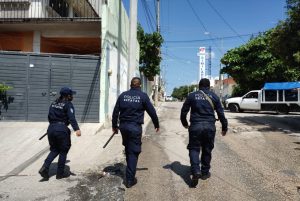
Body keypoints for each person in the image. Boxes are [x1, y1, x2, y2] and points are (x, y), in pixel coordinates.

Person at [112, 77, 159, 188]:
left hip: (123, 127)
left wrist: (114, 126)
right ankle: (129, 180)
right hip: (134, 127)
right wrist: (156, 124)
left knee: (128, 149)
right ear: (140, 85)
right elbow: (152, 111)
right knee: (134, 152)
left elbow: (115, 112)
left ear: (130, 85)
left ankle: (129, 169)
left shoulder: (123, 95)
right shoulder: (143, 96)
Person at [180, 78, 228, 187]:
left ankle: (196, 170)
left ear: (199, 86)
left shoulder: (192, 96)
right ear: (209, 86)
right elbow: (221, 113)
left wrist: (184, 123)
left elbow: (184, 111)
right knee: (207, 149)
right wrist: (224, 127)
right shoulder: (214, 96)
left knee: (194, 148)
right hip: (209, 127)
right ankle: (205, 173)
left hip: (195, 126)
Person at [39, 87, 81, 180]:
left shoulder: (54, 103)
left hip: (51, 128)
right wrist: (77, 129)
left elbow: (49, 116)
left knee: (54, 149)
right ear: (68, 96)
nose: (72, 97)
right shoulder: (68, 104)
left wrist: (54, 125)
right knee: (63, 151)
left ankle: (45, 167)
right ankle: (60, 174)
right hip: (61, 129)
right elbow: (71, 118)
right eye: (71, 95)